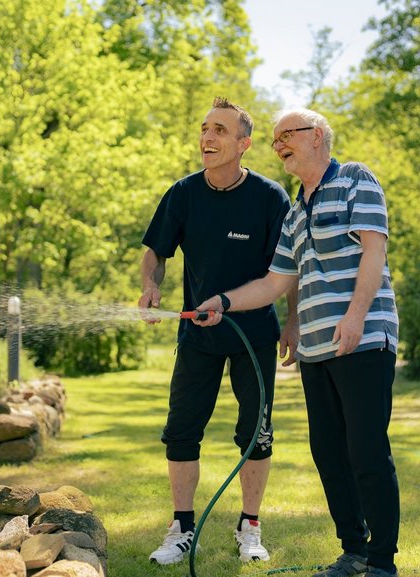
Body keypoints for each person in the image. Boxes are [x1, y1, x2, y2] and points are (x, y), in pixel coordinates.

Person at [195, 107, 401, 577]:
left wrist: (354, 317)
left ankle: (382, 563)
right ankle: (354, 551)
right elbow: (274, 283)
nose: (280, 145)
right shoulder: (295, 210)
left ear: (318, 136)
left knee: (367, 451)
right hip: (315, 349)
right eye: (275, 140)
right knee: (328, 453)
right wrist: (224, 302)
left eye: (288, 135)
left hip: (364, 339)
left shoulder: (355, 179)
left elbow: (374, 250)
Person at [138, 96, 298, 565]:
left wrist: (292, 320)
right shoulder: (183, 193)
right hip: (198, 335)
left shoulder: (271, 198)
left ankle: (250, 527)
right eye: (205, 129)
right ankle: (181, 529)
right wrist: (150, 285)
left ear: (244, 144)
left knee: (256, 433)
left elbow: (288, 270)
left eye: (220, 130)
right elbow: (156, 253)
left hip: (255, 335)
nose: (207, 137)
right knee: (181, 431)